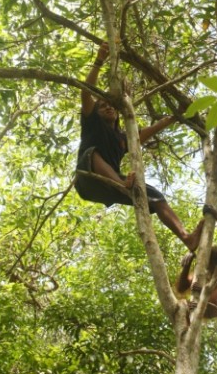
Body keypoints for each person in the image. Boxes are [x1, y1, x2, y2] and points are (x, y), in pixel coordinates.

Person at [75, 42, 203, 251]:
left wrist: (175, 116)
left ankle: (187, 238)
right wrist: (99, 61)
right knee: (92, 153)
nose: (107, 107)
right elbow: (85, 94)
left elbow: (143, 134)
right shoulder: (92, 123)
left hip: (110, 184)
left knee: (155, 196)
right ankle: (121, 183)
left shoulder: (122, 138)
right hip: (88, 178)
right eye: (102, 106)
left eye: (110, 106)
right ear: (95, 112)